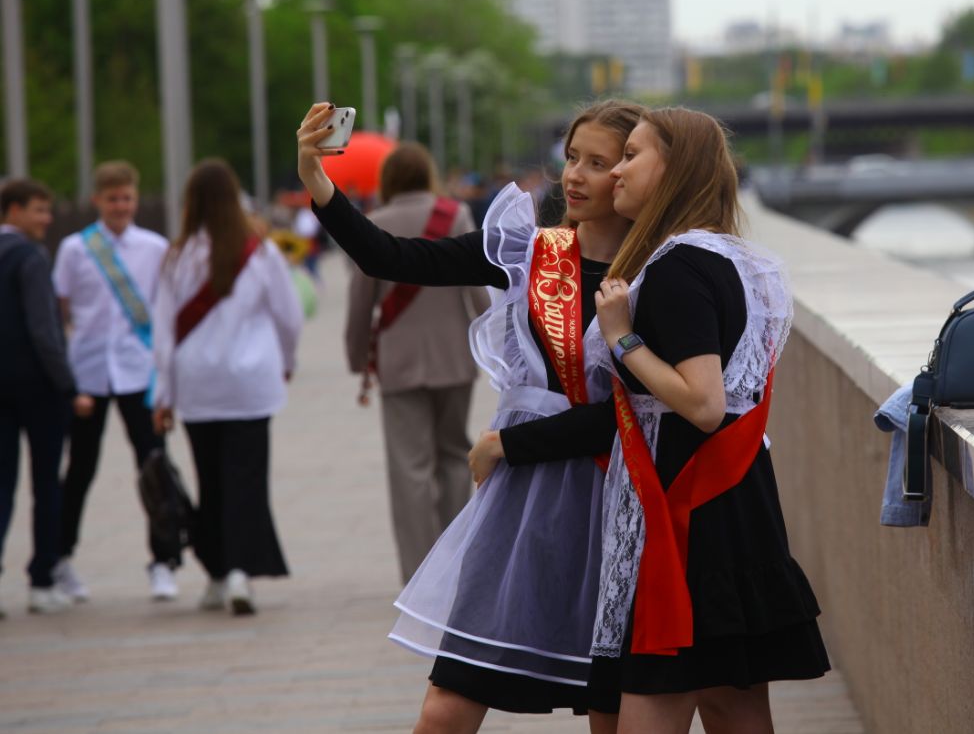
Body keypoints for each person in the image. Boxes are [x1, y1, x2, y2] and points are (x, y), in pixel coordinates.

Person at [470, 107, 831, 734]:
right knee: (734, 708)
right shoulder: (736, 258)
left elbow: (703, 402)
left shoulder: (676, 268)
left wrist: (621, 337)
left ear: (675, 170)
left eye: (631, 156)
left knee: (648, 712)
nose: (617, 174)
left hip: (689, 517)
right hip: (736, 501)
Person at [298, 98, 643, 733]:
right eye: (572, 158)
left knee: (611, 708)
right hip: (520, 506)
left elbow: (636, 415)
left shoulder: (658, 276)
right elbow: (391, 257)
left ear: (633, 172)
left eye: (598, 162)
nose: (575, 175)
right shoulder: (529, 253)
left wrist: (505, 446)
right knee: (450, 699)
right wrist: (318, 180)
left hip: (617, 501)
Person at [150, 159, 302, 616]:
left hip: (198, 384)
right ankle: (239, 572)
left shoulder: (177, 257)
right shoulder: (260, 251)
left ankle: (216, 574)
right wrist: (287, 362)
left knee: (210, 478)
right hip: (250, 383)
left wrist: (164, 395)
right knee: (246, 479)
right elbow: (289, 316)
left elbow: (162, 333)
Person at [344, 142, 489, 584]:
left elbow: (359, 301)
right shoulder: (455, 214)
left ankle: (419, 573)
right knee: (452, 456)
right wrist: (491, 340)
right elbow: (477, 289)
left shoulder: (375, 223)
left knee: (409, 467)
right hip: (453, 356)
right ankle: (456, 561)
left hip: (399, 360)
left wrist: (357, 357)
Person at [51, 160, 175, 602]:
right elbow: (60, 308)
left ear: (135, 199)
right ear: (97, 201)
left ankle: (163, 560)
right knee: (80, 467)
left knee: (153, 465)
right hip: (88, 373)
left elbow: (164, 311)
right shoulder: (74, 249)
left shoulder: (155, 247)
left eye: (127, 198)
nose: (121, 206)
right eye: (112, 199)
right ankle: (60, 557)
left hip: (139, 372)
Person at [0, 179, 77, 615]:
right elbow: (44, 330)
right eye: (38, 210)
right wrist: (67, 384)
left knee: (2, 486)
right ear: (12, 211)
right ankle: (42, 579)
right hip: (38, 388)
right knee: (46, 485)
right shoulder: (29, 257)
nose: (46, 219)